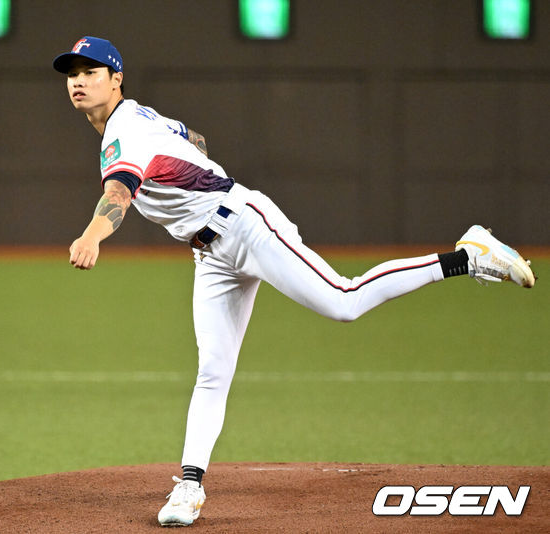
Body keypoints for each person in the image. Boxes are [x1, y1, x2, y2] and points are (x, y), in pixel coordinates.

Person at [52, 36, 536, 527]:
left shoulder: (125, 130)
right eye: (72, 73)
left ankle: (468, 256)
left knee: (344, 300)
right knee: (213, 371)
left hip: (247, 225)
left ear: (116, 79)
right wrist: (193, 172)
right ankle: (190, 487)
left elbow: (119, 193)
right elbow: (194, 140)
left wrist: (92, 235)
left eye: (91, 71)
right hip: (211, 252)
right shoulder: (139, 117)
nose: (78, 81)